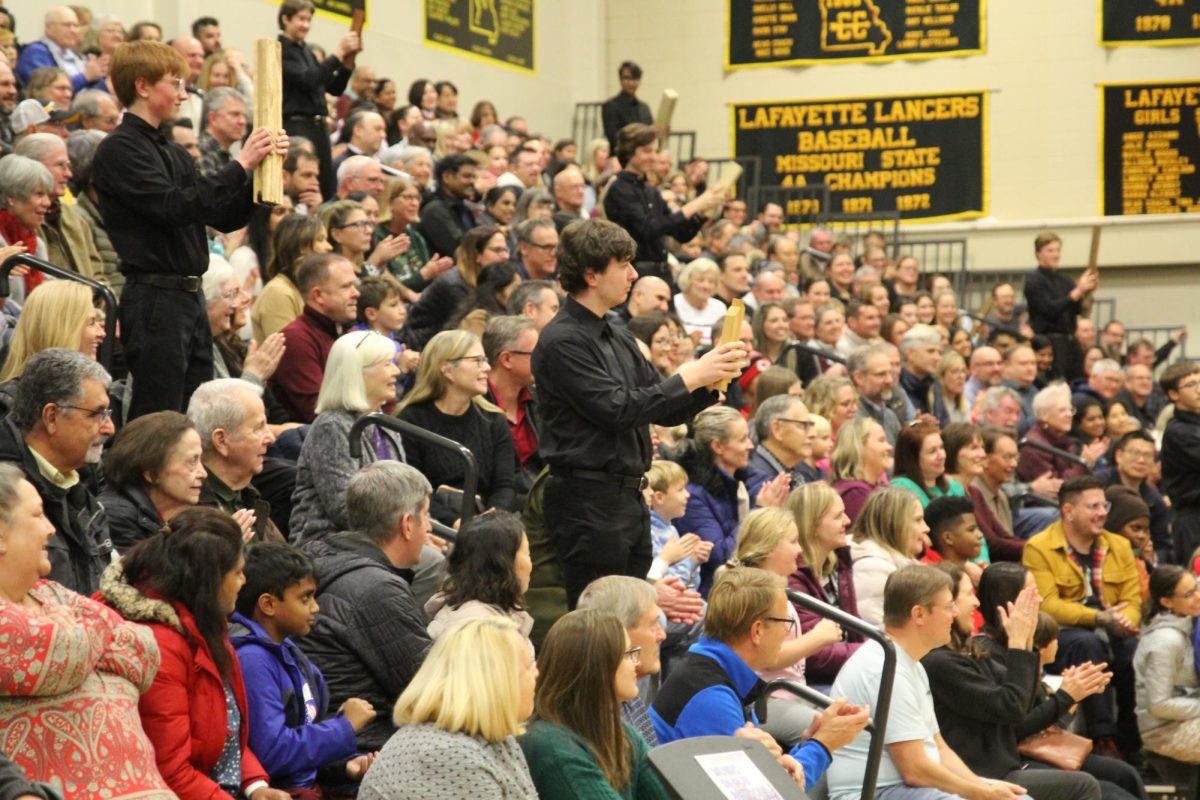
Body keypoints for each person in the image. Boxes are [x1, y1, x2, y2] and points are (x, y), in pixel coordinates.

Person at [531, 219, 746, 607]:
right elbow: (617, 409)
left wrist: (714, 381)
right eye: (624, 265)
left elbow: (662, 409)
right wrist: (689, 375)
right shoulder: (562, 340)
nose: (633, 274)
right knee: (601, 623)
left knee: (631, 619)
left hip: (628, 496)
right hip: (587, 499)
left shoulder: (617, 333)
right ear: (592, 273)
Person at [93, 40, 287, 420]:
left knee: (197, 413)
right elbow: (172, 207)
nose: (184, 93)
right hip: (155, 297)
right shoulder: (119, 150)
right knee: (160, 415)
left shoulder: (175, 152)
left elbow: (221, 215)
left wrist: (262, 172)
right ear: (144, 87)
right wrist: (241, 163)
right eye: (175, 83)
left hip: (189, 297)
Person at [0, 463, 174, 799]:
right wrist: (82, 636)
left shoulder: (53, 593)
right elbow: (58, 651)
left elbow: (141, 649)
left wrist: (76, 638)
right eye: (37, 515)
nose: (51, 529)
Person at [99, 507, 292, 800]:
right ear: (210, 580)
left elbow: (225, 729)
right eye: (238, 573)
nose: (244, 582)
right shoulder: (161, 646)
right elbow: (169, 771)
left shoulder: (204, 622)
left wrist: (255, 786)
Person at [651, 567, 869, 790]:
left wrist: (810, 741)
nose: (786, 632)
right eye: (786, 622)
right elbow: (764, 793)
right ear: (757, 631)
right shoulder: (710, 698)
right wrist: (823, 744)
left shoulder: (713, 672)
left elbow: (769, 778)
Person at [827, 564, 1031, 800]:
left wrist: (983, 787)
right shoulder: (885, 668)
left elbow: (940, 750)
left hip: (906, 786)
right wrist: (982, 793)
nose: (954, 613)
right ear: (919, 615)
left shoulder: (910, 664)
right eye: (948, 606)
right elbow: (914, 770)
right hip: (873, 792)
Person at [922, 563, 1104, 800]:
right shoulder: (941, 662)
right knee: (1086, 786)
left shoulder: (970, 650)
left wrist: (1025, 643)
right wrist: (1064, 695)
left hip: (1004, 766)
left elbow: (1021, 702)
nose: (975, 602)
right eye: (968, 594)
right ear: (950, 605)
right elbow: (1012, 710)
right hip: (982, 773)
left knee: (1120, 778)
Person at [298, 461, 435, 752]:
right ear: (407, 525)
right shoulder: (377, 589)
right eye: (426, 516)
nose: (430, 528)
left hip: (329, 746)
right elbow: (432, 694)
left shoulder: (318, 557)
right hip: (365, 754)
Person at [986, 569, 1147, 800]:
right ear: (1009, 600)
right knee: (1111, 794)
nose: (1040, 599)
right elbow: (1014, 728)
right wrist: (1066, 697)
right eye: (1031, 592)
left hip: (1034, 747)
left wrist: (1073, 696)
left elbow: (1044, 717)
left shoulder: (1026, 644)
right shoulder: (993, 654)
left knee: (1125, 774)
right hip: (1011, 759)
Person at [230, 543, 375, 793]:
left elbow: (304, 732)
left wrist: (342, 765)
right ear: (268, 605)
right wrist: (343, 728)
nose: (315, 607)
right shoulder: (253, 660)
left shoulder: (286, 649)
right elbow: (272, 753)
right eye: (305, 598)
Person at [1023, 476, 1142, 758]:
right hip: (1064, 632)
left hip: (1113, 627)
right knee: (1087, 644)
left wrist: (1126, 621)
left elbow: (1133, 599)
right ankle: (1103, 738)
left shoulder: (1119, 545)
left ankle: (1131, 740)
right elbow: (1049, 605)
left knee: (1132, 653)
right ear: (1068, 511)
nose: (1102, 512)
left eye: (1104, 504)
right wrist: (1100, 617)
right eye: (1093, 506)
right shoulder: (1039, 547)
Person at [359, 617, 538, 799]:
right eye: (528, 666)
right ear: (495, 682)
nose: (537, 673)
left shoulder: (495, 738)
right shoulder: (447, 754)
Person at [726, 508, 846, 744]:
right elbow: (768, 657)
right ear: (769, 548)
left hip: (791, 693)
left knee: (854, 717)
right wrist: (818, 637)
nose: (800, 550)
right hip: (766, 699)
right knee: (832, 734)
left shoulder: (773, 588)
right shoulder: (753, 592)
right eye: (793, 542)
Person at [521, 609, 669, 799]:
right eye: (626, 654)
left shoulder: (620, 731)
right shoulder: (552, 746)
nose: (636, 664)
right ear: (596, 666)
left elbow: (670, 791)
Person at [0, 349, 113, 595]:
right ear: (51, 417)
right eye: (97, 414)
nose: (109, 428)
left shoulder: (81, 487)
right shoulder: (7, 495)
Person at [289, 331, 404, 542]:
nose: (396, 371)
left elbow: (407, 495)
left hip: (386, 539)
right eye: (387, 364)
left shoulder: (386, 425)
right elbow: (345, 510)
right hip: (331, 544)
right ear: (357, 373)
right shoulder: (331, 427)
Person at [397, 330, 516, 524]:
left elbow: (505, 486)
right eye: (477, 360)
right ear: (447, 369)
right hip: (431, 525)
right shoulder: (411, 421)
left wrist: (492, 517)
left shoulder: (494, 420)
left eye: (485, 359)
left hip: (488, 523)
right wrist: (455, 521)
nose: (486, 367)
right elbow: (411, 494)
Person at [674, 405, 789, 595]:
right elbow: (719, 556)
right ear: (717, 446)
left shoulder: (749, 481)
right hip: (716, 594)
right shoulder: (693, 496)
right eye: (742, 439)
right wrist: (759, 512)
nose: (750, 446)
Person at [603, 124, 722, 284]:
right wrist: (695, 204)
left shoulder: (651, 191)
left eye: (656, 151)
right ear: (629, 152)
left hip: (661, 272)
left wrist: (703, 211)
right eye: (647, 151)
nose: (653, 156)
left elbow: (681, 234)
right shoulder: (620, 188)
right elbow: (648, 229)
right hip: (635, 274)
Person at [189, 379, 287, 544]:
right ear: (221, 440)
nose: (270, 438)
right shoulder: (193, 515)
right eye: (258, 428)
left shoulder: (247, 496)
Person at [577, 576, 670, 746]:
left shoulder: (628, 694)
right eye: (653, 625)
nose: (662, 635)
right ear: (619, 632)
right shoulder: (591, 719)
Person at [278, 0, 357, 199]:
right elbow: (309, 80)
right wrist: (338, 53)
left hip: (318, 127)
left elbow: (333, 87)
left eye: (308, 20)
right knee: (305, 184)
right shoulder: (281, 50)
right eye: (300, 19)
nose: (305, 25)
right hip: (298, 126)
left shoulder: (306, 52)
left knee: (325, 184)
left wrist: (347, 65)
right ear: (285, 19)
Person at [270, 253, 361, 424]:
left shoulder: (346, 332)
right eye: (346, 286)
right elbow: (321, 413)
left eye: (355, 285)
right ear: (318, 295)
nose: (356, 293)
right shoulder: (296, 340)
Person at [99, 411, 206, 551]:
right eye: (192, 461)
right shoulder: (117, 518)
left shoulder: (171, 516)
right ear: (151, 472)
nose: (203, 473)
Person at [424, 510, 534, 641]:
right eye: (527, 553)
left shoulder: (487, 617)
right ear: (504, 564)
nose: (531, 563)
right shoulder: (479, 629)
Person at [403, 225, 509, 351]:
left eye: (505, 250)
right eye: (497, 250)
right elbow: (469, 331)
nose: (505, 257)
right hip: (424, 349)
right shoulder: (454, 285)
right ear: (477, 255)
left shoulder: (487, 281)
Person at [1134, 565, 1200, 763]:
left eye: (1196, 588)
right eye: (1189, 594)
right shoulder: (1165, 641)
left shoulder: (1185, 622)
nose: (1197, 596)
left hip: (1185, 717)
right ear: (1167, 602)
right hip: (1165, 730)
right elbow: (1159, 705)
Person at [851, 487, 928, 627]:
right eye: (918, 520)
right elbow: (878, 634)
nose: (926, 528)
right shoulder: (872, 568)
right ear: (895, 523)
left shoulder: (902, 564)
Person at [1025, 233, 1098, 376]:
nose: (1056, 255)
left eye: (1058, 250)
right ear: (1038, 254)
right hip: (1050, 342)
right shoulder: (1034, 281)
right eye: (1050, 251)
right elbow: (1049, 309)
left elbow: (1078, 310)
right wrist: (1077, 292)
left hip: (1070, 340)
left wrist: (1086, 293)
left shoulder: (1065, 280)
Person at [1102, 430, 1171, 565]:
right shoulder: (1099, 485)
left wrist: (1152, 558)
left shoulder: (1155, 500)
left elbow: (1162, 544)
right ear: (1119, 455)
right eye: (1135, 453)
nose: (1141, 460)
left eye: (1147, 455)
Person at [1018, 383, 1100, 484]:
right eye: (1062, 410)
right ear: (1043, 414)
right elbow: (1057, 488)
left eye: (1070, 410)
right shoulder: (1033, 447)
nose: (1069, 414)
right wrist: (1083, 463)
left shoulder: (1062, 438)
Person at [1160, 361, 1200, 564]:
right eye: (1191, 385)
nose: (1199, 389)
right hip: (1192, 519)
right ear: (1174, 394)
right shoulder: (1178, 431)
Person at [970, 427, 1027, 562]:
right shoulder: (973, 492)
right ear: (985, 459)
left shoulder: (1001, 496)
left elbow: (1007, 538)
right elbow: (994, 545)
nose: (1014, 464)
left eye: (1016, 457)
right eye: (1007, 457)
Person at [745, 394, 814, 501]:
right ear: (777, 430)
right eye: (803, 425)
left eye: (811, 425)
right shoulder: (759, 481)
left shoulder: (795, 471)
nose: (812, 434)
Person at [830, 417, 894, 523]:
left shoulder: (877, 488)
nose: (889, 447)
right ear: (859, 447)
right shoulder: (854, 495)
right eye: (881, 440)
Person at [601, 61, 653, 148]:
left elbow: (650, 135)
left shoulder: (644, 108)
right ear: (620, 80)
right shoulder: (610, 106)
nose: (631, 83)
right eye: (627, 78)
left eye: (635, 79)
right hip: (621, 157)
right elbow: (614, 138)